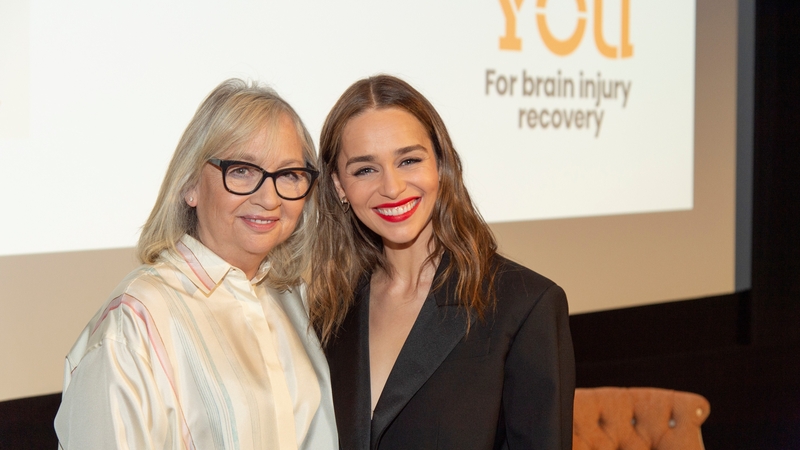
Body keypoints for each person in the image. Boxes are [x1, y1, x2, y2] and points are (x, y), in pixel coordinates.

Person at [54, 79, 337, 450]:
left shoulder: (292, 300)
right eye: (241, 170)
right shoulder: (135, 320)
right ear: (190, 186)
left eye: (288, 175)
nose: (269, 198)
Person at [308, 75, 575, 449]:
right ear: (339, 186)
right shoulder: (329, 307)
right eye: (365, 169)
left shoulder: (524, 305)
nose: (392, 187)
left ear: (440, 164)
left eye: (409, 160)